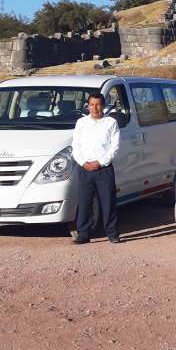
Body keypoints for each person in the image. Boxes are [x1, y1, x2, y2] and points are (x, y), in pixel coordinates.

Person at [70, 93, 121, 244]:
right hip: (85, 168)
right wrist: (83, 163)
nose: (95, 108)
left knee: (108, 201)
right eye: (92, 105)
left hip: (104, 168)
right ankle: (83, 234)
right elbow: (76, 146)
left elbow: (115, 147)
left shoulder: (111, 123)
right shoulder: (81, 123)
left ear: (103, 106)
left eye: (98, 104)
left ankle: (112, 233)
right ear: (88, 106)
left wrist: (100, 162)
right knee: (85, 202)